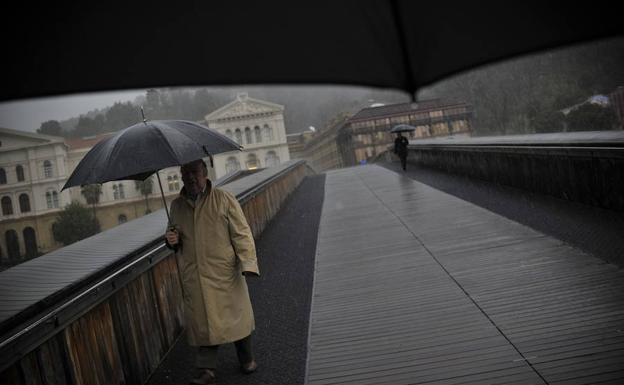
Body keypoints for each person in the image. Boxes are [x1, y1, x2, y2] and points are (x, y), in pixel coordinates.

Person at [165, 159, 259, 385]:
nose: (190, 177)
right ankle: (206, 369)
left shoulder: (224, 199)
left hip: (224, 270)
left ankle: (247, 358)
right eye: (186, 173)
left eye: (195, 172)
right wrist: (171, 240)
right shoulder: (177, 206)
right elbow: (174, 237)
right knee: (204, 321)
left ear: (205, 173)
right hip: (196, 274)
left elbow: (242, 234)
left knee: (236, 316)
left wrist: (248, 263)